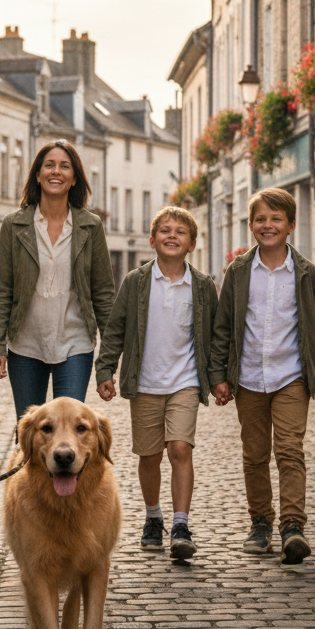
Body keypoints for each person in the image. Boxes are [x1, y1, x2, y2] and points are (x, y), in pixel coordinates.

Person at [209, 187, 315, 565]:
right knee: (254, 454)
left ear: (291, 225)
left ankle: (293, 526)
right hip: (248, 377)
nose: (268, 225)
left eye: (276, 219)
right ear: (251, 226)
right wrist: (218, 374)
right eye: (261, 219)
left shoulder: (306, 274)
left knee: (289, 449)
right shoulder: (238, 271)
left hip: (291, 376)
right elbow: (223, 327)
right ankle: (261, 522)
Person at [95, 207, 218, 560]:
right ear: (152, 240)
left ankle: (181, 524)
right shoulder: (136, 281)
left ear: (191, 243)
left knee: (179, 448)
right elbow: (115, 329)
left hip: (186, 381)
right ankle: (153, 517)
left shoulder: (203, 286)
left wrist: (220, 378)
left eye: (180, 231)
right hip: (146, 381)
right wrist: (106, 370)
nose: (172, 236)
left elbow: (216, 335)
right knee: (149, 456)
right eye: (165, 230)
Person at [0, 140, 114, 421]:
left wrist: (107, 360)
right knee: (29, 434)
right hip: (25, 345)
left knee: (67, 432)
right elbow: (1, 291)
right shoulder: (14, 225)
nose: (56, 172)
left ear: (73, 178)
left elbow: (104, 293)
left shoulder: (90, 226)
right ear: (37, 174)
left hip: (75, 344)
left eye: (64, 166)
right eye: (49, 165)